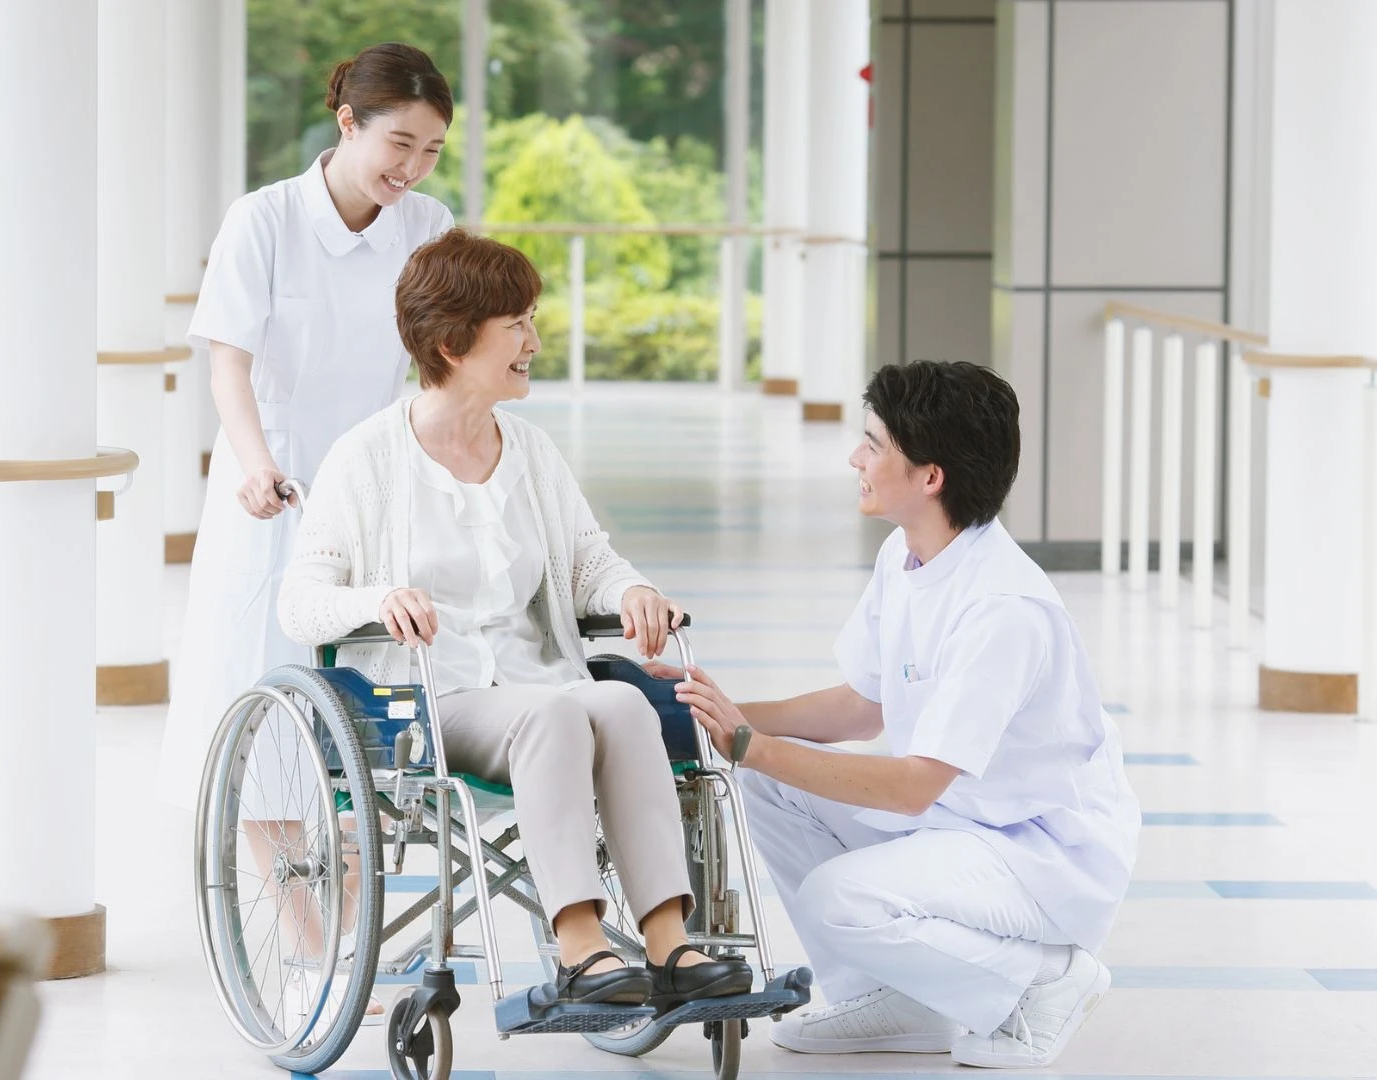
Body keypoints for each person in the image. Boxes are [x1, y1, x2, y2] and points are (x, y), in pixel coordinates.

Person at [276, 229, 753, 1009]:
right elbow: (302, 601)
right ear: (452, 343)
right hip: (433, 701)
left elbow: (587, 559)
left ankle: (670, 944)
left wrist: (630, 591)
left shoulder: (529, 450)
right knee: (555, 718)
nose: (535, 340)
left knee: (623, 701)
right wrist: (377, 600)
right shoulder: (365, 458)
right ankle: (578, 950)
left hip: (540, 680)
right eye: (517, 325)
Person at [653, 360, 1141, 1068]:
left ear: (930, 477)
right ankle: (887, 997)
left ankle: (1044, 982)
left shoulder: (1003, 609)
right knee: (765, 783)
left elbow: (914, 784)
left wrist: (749, 742)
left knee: (836, 899)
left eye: (874, 444)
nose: (856, 457)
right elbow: (860, 708)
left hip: (1036, 849)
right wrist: (723, 714)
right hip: (959, 817)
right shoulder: (907, 554)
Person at [157, 42, 456, 808]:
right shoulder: (264, 219)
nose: (414, 168)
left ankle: (351, 880)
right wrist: (256, 467)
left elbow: (439, 362)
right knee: (260, 673)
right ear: (348, 122)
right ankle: (290, 901)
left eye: (431, 150)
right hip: (275, 480)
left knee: (370, 687)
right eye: (400, 144)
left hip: (378, 479)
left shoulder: (428, 224)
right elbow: (230, 364)